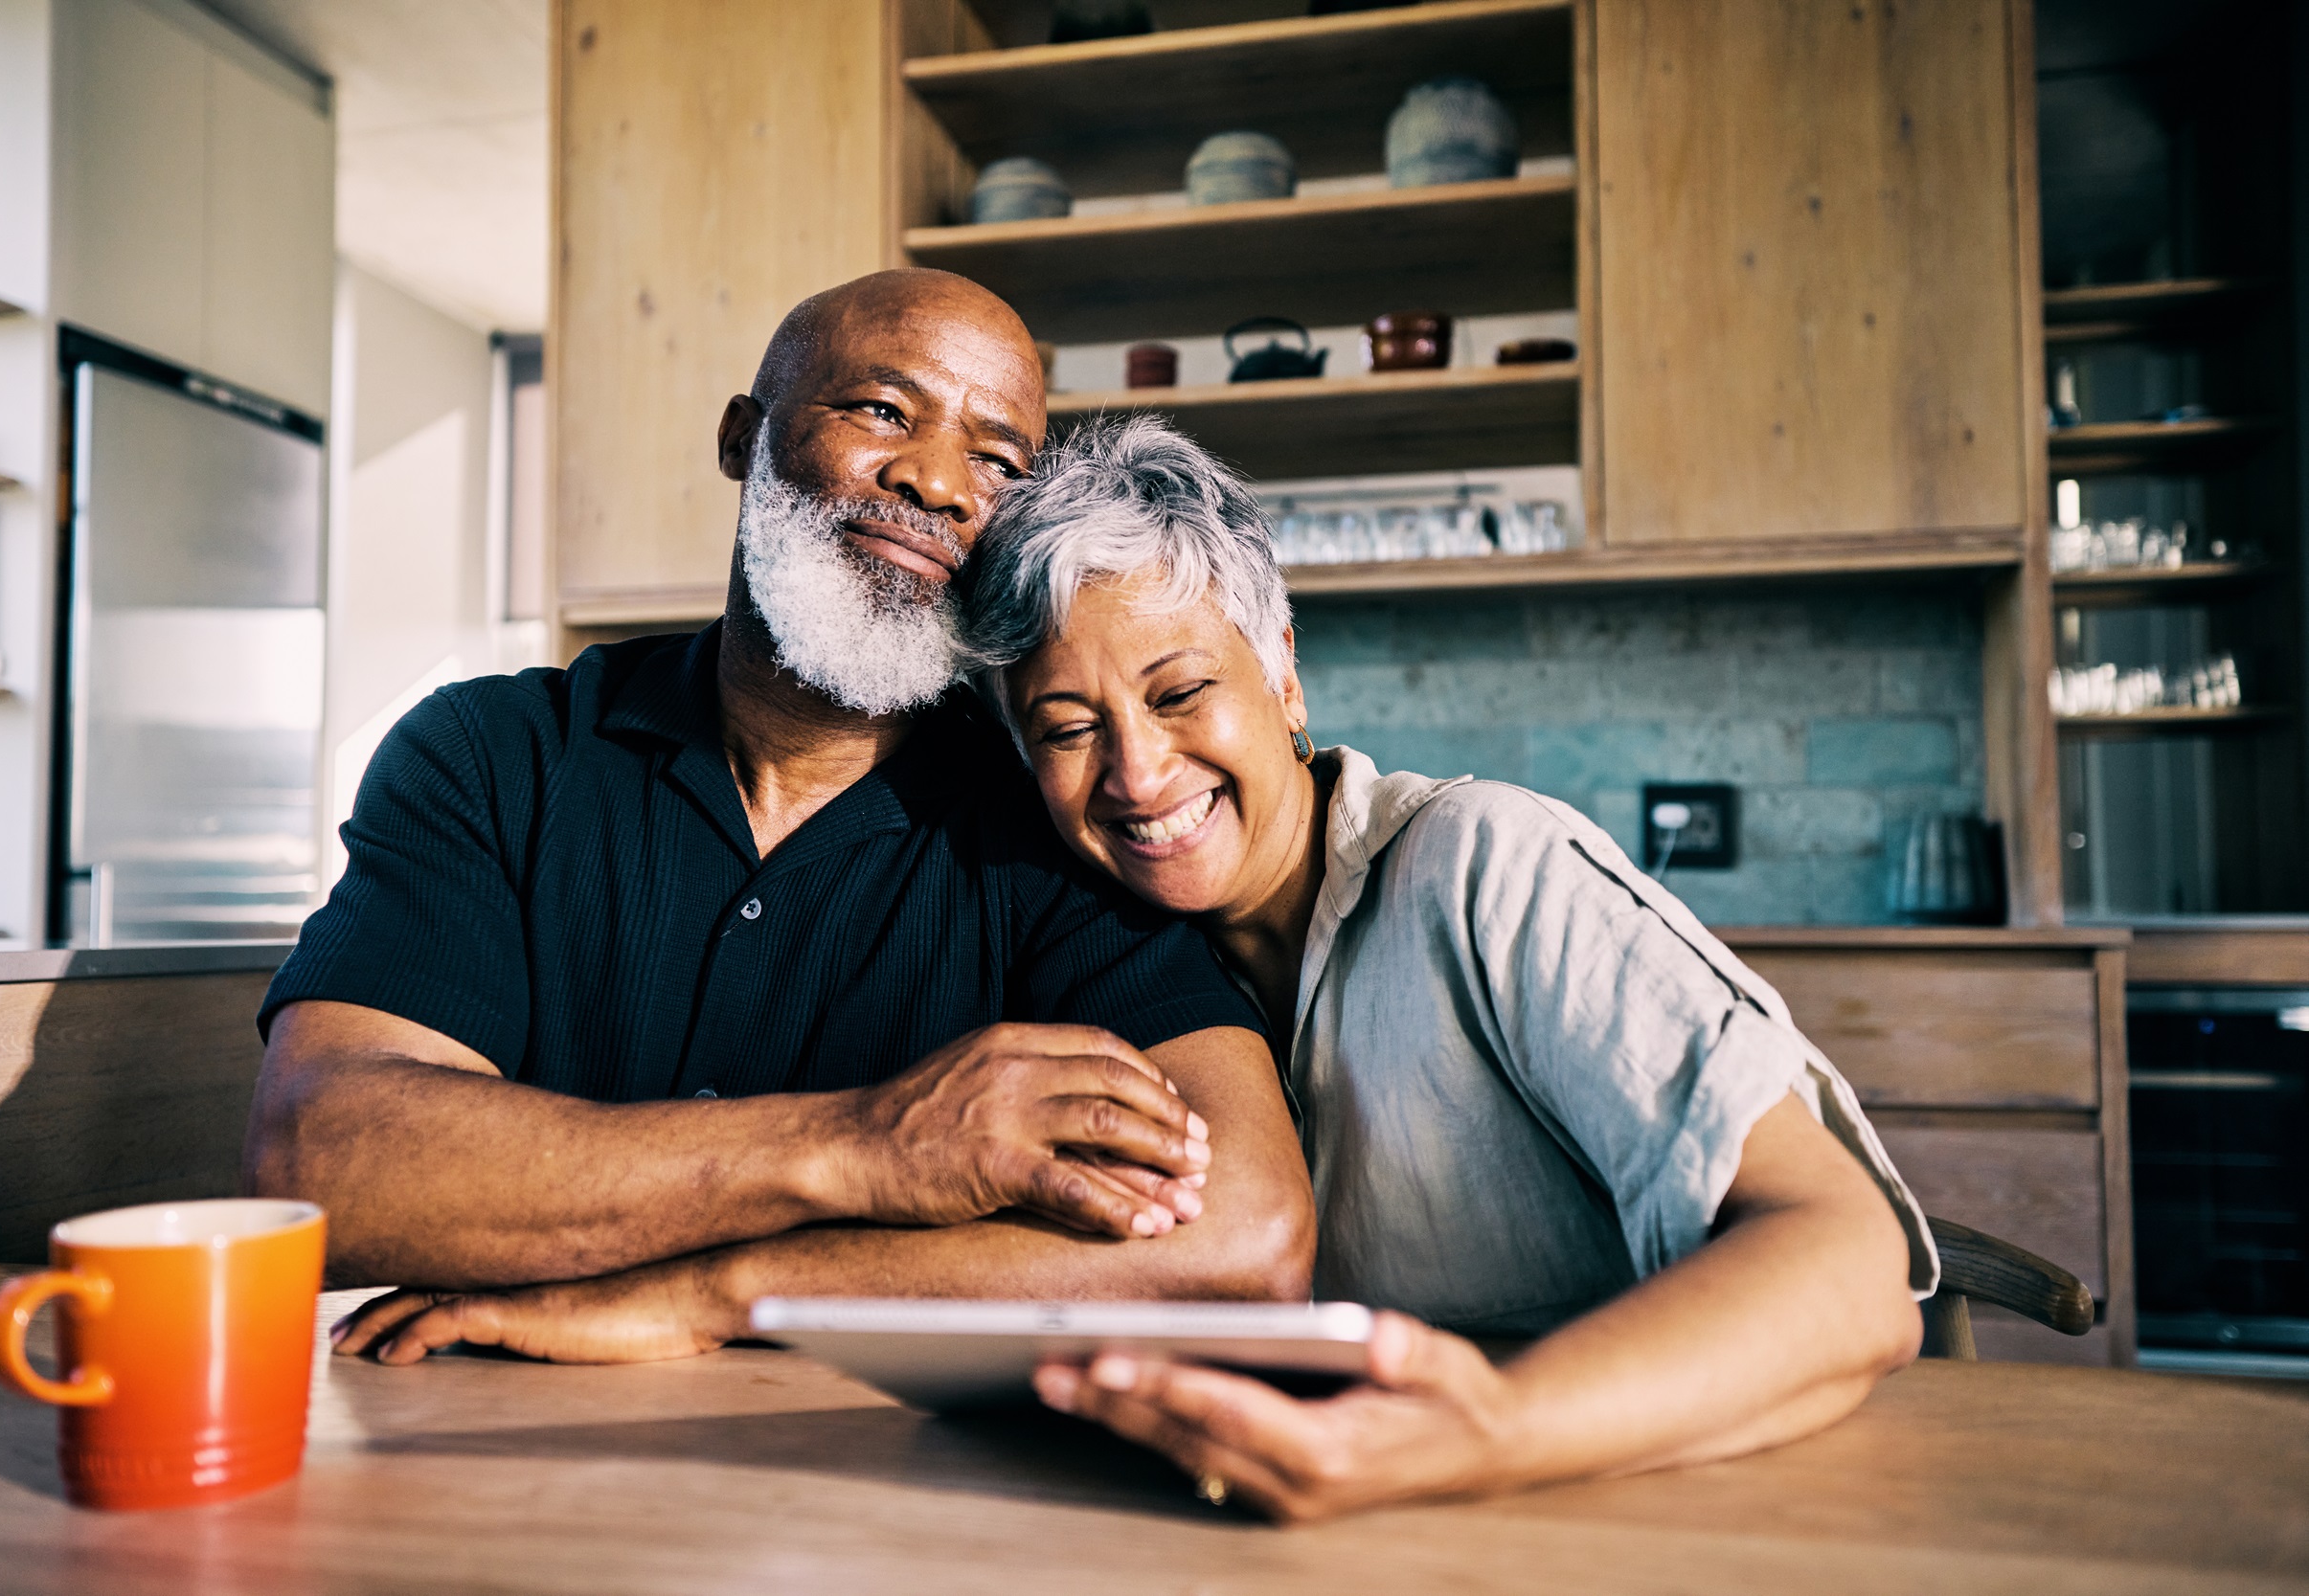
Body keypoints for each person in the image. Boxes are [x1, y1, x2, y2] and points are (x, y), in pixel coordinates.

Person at [246, 273, 1313, 1366]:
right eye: (883, 411)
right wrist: (863, 1144)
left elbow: (1247, 1232)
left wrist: (726, 1289)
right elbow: (320, 1161)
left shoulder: (1049, 816)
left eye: (996, 461)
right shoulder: (493, 755)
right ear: (741, 439)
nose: (937, 481)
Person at [956, 415, 1936, 1522]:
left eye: (1179, 692)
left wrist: (1485, 1430)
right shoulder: (1105, 977)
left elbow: (1851, 1264)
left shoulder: (1483, 863)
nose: (1135, 770)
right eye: (1068, 727)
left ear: (1282, 673)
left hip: (1645, 1509)